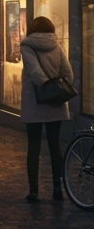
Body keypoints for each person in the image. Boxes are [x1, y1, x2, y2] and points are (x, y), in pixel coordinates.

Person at [19, 17, 73, 202]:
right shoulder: (56, 45)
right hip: (56, 102)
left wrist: (45, 87)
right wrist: (56, 88)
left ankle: (34, 190)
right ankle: (57, 188)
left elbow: (34, 73)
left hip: (36, 101)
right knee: (54, 145)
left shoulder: (27, 46)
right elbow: (68, 73)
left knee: (33, 146)